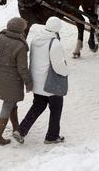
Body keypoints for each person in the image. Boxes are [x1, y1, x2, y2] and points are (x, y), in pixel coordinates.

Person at [13, 17, 68, 145]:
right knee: (56, 108)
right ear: (57, 29)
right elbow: (58, 66)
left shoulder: (36, 39)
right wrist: (67, 72)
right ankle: (52, 136)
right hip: (50, 83)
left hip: (37, 81)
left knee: (38, 105)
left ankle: (21, 130)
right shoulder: (55, 43)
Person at [0, 17, 33, 146]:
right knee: (8, 105)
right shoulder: (20, 45)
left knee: (11, 103)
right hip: (13, 79)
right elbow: (22, 68)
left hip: (1, 77)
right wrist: (28, 83)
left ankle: (16, 128)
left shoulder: (0, 37)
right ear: (20, 29)